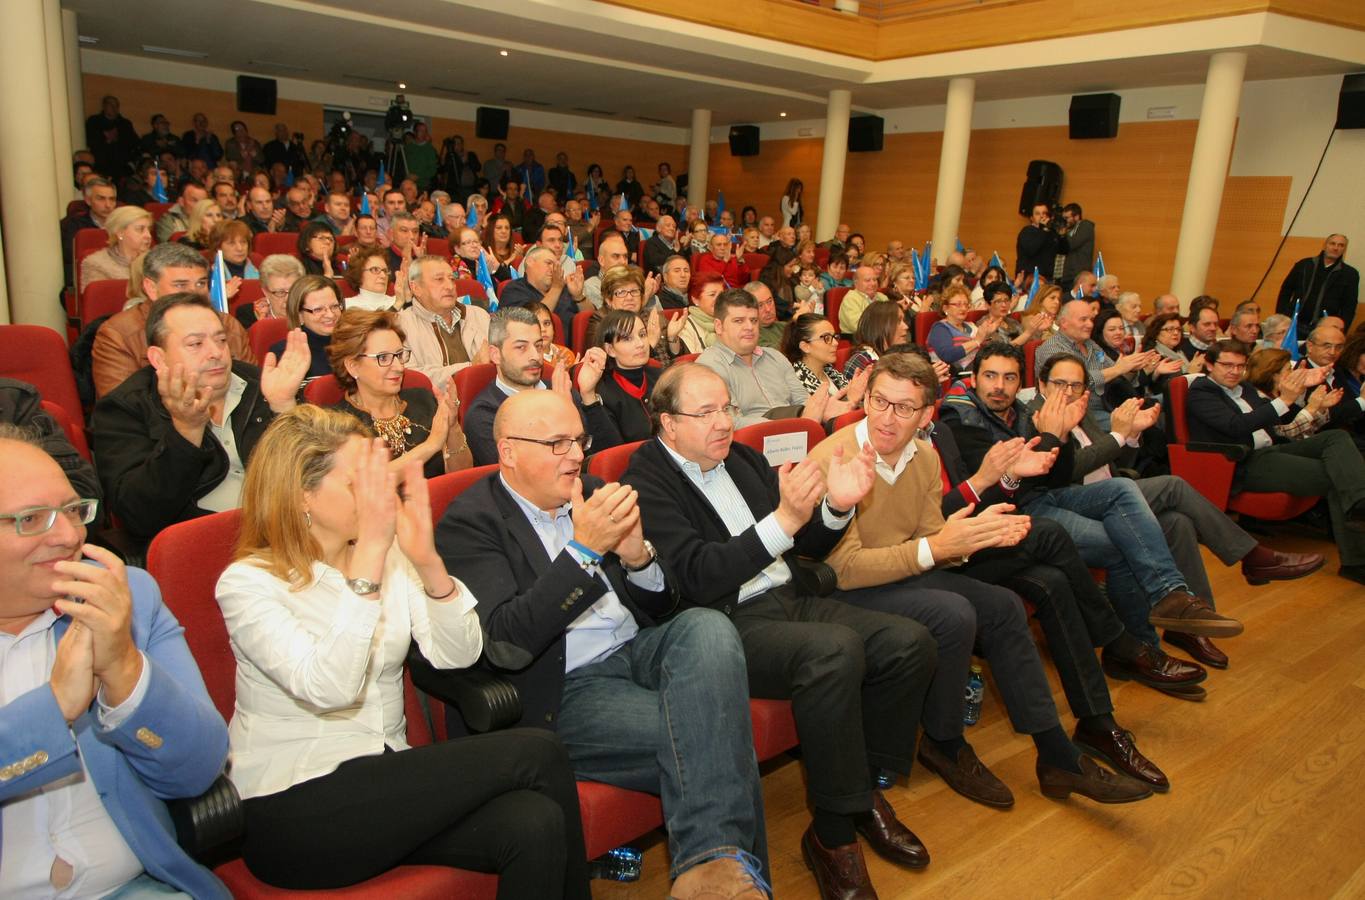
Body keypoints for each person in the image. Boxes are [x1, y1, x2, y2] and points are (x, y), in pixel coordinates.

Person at [215, 407, 587, 895]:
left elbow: (458, 655)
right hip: (295, 805)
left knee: (533, 821)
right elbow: (328, 689)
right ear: (303, 494)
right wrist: (369, 559)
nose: (377, 499)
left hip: (387, 781)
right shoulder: (248, 583)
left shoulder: (388, 556)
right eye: (359, 485)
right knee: (538, 750)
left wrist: (429, 565)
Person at [435, 389, 772, 899]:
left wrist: (639, 560)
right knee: (718, 732)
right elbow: (507, 644)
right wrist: (582, 550)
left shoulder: (593, 490)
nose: (576, 454)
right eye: (557, 443)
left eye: (579, 439)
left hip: (636, 648)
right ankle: (717, 873)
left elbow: (662, 607)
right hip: (565, 686)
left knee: (707, 625)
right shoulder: (471, 522)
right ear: (507, 451)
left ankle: (710, 872)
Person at [623, 364, 937, 899]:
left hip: (789, 597)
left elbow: (804, 539)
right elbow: (698, 577)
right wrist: (785, 522)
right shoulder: (646, 477)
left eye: (726, 408)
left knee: (910, 644)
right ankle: (834, 837)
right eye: (706, 413)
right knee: (834, 653)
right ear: (667, 424)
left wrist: (836, 505)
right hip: (722, 626)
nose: (723, 422)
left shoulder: (740, 457)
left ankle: (860, 791)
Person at [811, 354, 1161, 801]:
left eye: (904, 408)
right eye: (879, 401)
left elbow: (929, 536)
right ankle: (946, 742)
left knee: (1003, 605)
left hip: (899, 574)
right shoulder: (835, 458)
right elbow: (843, 569)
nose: (887, 417)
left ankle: (1057, 755)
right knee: (954, 610)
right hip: (847, 590)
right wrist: (939, 547)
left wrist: (969, 537)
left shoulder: (920, 454)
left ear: (925, 415)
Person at [0, 428, 231, 898]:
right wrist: (54, 709)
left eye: (71, 510)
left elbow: (198, 770)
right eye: (31, 519)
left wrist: (125, 669)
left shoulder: (125, 597)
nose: (68, 536)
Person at [939, 344, 1249, 684]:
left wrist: (1060, 436)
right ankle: (1140, 648)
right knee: (1125, 539)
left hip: (1052, 498)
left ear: (1020, 382)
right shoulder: (964, 421)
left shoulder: (1024, 414)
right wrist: (1053, 436)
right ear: (974, 379)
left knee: (1145, 501)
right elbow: (1001, 494)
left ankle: (1172, 602)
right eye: (990, 376)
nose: (999, 386)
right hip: (1014, 514)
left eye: (1009, 377)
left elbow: (1057, 475)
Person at [1028, 352, 1322, 667]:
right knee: (1173, 485)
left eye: (1076, 385)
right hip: (1075, 501)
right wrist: (1118, 435)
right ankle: (1251, 557)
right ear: (1042, 384)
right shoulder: (1034, 415)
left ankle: (1192, 623)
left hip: (1113, 492)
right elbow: (1068, 472)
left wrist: (1130, 435)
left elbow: (1115, 465)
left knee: (1178, 522)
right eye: (1060, 384)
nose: (1068, 392)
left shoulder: (1082, 412)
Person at [91, 293, 310, 548]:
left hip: (288, 531)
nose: (216, 352)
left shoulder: (263, 384)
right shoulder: (125, 408)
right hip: (204, 547)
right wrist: (186, 431)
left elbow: (317, 475)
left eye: (221, 340)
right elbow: (140, 517)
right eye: (196, 344)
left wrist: (283, 408)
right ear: (158, 358)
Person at [1187, 339, 1365, 585]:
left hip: (1275, 448)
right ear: (1208, 364)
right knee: (1338, 476)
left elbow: (1282, 425)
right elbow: (1235, 426)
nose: (1234, 371)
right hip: (1244, 461)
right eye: (1227, 365)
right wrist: (1284, 400)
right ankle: (1356, 561)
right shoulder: (1201, 391)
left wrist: (1305, 399)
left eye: (1239, 366)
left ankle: (1360, 503)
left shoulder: (1247, 388)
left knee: (1337, 437)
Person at [91, 243, 255, 398]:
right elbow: (121, 409)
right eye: (181, 285)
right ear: (151, 288)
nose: (194, 293)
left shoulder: (228, 325)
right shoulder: (118, 334)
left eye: (201, 283)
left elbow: (253, 391)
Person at [326, 309, 471, 477]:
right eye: (384, 358)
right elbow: (360, 487)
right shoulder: (335, 424)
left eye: (399, 355)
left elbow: (462, 474)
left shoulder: (424, 400)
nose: (399, 367)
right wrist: (431, 445)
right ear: (353, 366)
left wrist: (452, 427)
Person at [463, 308, 616, 466]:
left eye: (538, 346)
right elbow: (523, 479)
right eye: (521, 347)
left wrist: (588, 395)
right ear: (495, 354)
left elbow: (609, 457)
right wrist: (560, 412)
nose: (535, 356)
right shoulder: (483, 415)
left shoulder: (561, 389)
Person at [699, 289, 862, 428]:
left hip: (796, 434)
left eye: (754, 320)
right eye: (739, 321)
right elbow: (730, 421)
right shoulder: (709, 366)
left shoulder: (775, 357)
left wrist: (822, 410)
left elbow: (803, 401)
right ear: (719, 326)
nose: (749, 327)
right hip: (753, 447)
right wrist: (789, 423)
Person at [1036, 298, 1153, 429]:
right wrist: (1118, 369)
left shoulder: (1090, 344)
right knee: (1139, 425)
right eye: (1083, 319)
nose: (1090, 325)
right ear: (1064, 323)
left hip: (1107, 404)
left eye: (1091, 320)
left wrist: (1130, 368)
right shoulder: (1052, 348)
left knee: (1150, 421)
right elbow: (1078, 383)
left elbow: (1115, 372)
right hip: (1074, 411)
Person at [396, 256, 492, 386]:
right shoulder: (401, 325)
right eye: (439, 279)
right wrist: (471, 368)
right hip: (433, 404)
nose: (449, 286)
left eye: (452, 279)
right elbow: (410, 377)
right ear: (416, 288)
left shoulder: (478, 315)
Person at [577, 309, 664, 443]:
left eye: (642, 334)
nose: (640, 344)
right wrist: (588, 395)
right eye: (628, 339)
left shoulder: (661, 377)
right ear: (610, 349)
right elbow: (610, 452)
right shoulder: (602, 391)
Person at [1247, 347, 1340, 440]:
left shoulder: (1279, 394)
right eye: (1289, 369)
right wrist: (1311, 408)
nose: (1293, 372)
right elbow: (1281, 435)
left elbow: (1306, 429)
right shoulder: (1258, 399)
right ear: (1274, 375)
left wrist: (1320, 407)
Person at [1277, 234, 1358, 339]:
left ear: (1344, 249)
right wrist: (1280, 316)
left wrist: (1341, 330)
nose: (1336, 248)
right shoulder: (1304, 265)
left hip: (1324, 328)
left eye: (1341, 245)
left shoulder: (1350, 274)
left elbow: (1349, 306)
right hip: (1293, 323)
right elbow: (1286, 291)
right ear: (1324, 245)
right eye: (1332, 243)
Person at [500, 246, 589, 338]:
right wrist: (556, 288)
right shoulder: (513, 290)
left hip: (570, 351)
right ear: (530, 262)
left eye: (556, 265)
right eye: (549, 263)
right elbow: (529, 322)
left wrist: (579, 296)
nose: (553, 269)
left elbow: (591, 319)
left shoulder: (565, 289)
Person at [272, 275, 343, 382]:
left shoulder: (355, 343)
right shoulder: (286, 354)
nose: (331, 315)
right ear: (299, 315)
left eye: (335, 306)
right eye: (318, 309)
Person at [79, 206, 153, 296]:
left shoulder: (156, 260)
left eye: (148, 229)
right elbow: (98, 303)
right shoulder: (96, 264)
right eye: (140, 229)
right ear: (120, 233)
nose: (148, 235)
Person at [927, 284, 991, 374]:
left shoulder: (971, 326)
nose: (963, 308)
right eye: (958, 304)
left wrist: (988, 335)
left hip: (977, 372)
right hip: (953, 377)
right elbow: (947, 355)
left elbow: (984, 350)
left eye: (966, 304)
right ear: (946, 308)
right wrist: (976, 341)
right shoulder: (940, 328)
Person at [782, 313, 848, 396]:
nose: (835, 343)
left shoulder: (831, 372)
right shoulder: (797, 383)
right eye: (827, 338)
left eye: (834, 336)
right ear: (805, 346)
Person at [843, 300, 908, 381]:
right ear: (881, 326)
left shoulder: (901, 356)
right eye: (898, 321)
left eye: (904, 321)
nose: (906, 326)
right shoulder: (861, 362)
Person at [236, 253, 305, 329]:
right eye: (280, 292)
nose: (288, 299)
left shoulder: (313, 314)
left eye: (294, 291)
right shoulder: (248, 315)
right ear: (265, 292)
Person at [677, 271, 725, 355]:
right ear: (695, 299)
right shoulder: (685, 327)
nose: (719, 299)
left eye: (721, 294)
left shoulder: (729, 321)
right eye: (712, 294)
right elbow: (691, 363)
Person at [1016, 201, 1067, 279]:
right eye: (1037, 214)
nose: (1042, 216)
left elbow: (1064, 250)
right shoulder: (1027, 231)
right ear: (1032, 218)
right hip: (1029, 278)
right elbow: (1031, 250)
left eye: (1044, 213)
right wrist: (1044, 230)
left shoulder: (1051, 232)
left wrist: (1062, 235)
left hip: (1047, 278)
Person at [838, 265, 890, 334]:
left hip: (882, 336)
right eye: (867, 280)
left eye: (874, 280)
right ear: (856, 283)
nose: (873, 283)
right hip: (856, 340)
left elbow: (891, 320)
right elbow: (858, 325)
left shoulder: (882, 297)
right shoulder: (851, 298)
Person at [344, 245, 397, 311]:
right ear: (359, 273)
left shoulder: (398, 300)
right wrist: (397, 305)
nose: (383, 276)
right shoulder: (347, 305)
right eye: (375, 269)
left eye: (385, 271)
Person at [531, 300, 577, 369]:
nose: (543, 329)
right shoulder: (525, 360)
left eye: (547, 323)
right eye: (536, 324)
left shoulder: (566, 355)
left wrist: (576, 373)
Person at [1059, 203, 1095, 291]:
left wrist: (1063, 234)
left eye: (1067, 218)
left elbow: (1072, 244)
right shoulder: (1070, 229)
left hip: (1077, 275)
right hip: (1066, 275)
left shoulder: (1085, 226)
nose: (1065, 221)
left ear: (1077, 217)